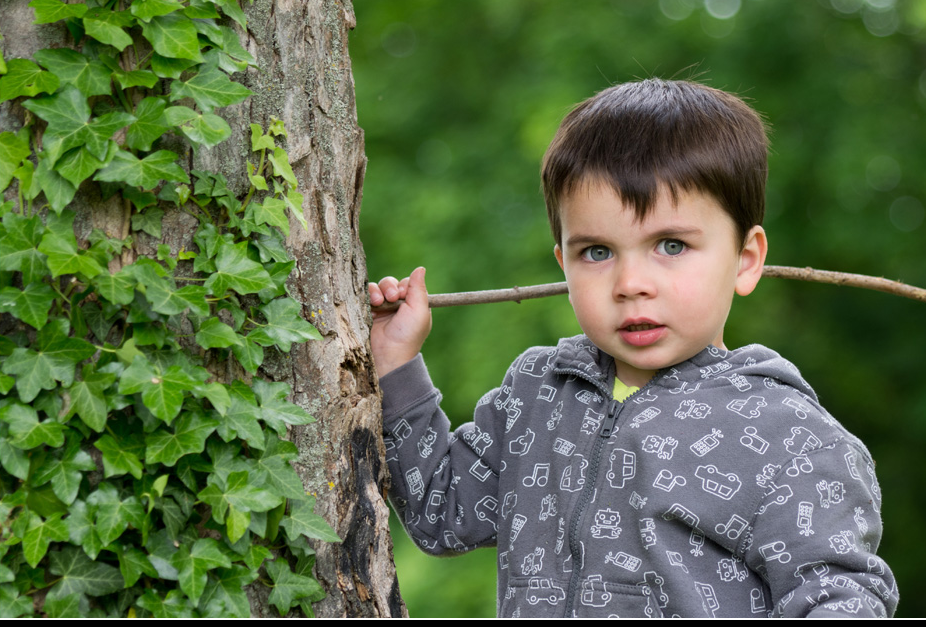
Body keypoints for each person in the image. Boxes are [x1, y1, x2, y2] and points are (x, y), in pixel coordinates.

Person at [368, 79, 898, 618]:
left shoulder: (789, 437)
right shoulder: (536, 396)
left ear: (745, 258)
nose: (630, 282)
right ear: (563, 264)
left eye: (671, 246)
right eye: (597, 252)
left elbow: (840, 599)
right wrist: (395, 364)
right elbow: (440, 511)